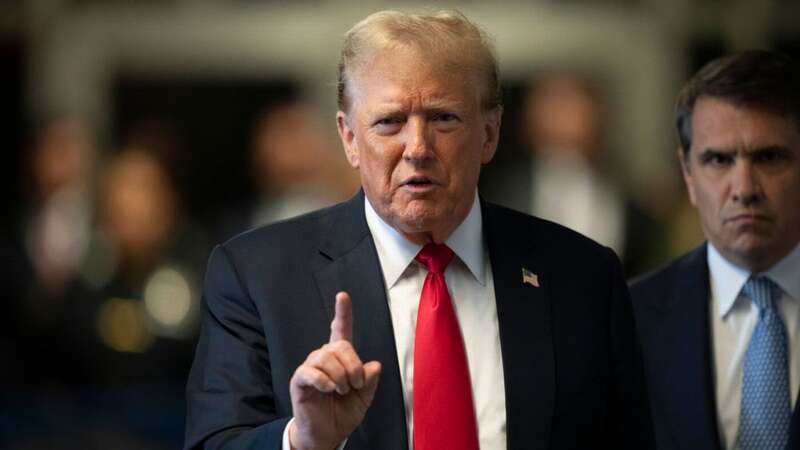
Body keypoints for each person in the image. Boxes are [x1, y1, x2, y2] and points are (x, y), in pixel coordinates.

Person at [185, 10, 653, 450]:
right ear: (349, 138)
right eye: (389, 122)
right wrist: (302, 440)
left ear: (489, 133)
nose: (417, 147)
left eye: (443, 118)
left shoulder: (583, 276)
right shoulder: (255, 276)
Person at [631, 50, 800, 450]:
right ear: (688, 174)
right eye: (718, 160)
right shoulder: (627, 318)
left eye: (769, 157)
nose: (744, 189)